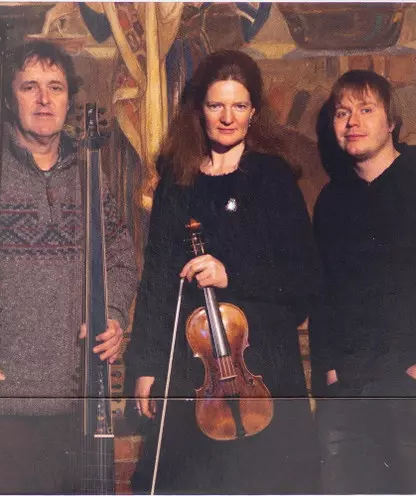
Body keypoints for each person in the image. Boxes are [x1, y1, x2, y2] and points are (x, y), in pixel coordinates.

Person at [0, 41, 138, 494]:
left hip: (78, 408)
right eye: (30, 87)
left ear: (69, 99)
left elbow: (122, 260)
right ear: (10, 100)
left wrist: (114, 314)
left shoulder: (92, 178)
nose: (44, 99)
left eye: (55, 87)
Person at [124, 50, 322, 495]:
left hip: (262, 368)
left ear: (254, 112)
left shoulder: (272, 177)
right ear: (200, 110)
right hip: (193, 371)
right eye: (216, 105)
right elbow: (156, 281)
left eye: (239, 106)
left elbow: (305, 277)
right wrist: (146, 365)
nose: (228, 118)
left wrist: (232, 275)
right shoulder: (177, 181)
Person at [309, 69, 416, 494]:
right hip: (347, 394)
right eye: (342, 112)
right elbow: (322, 294)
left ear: (391, 121)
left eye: (366, 110)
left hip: (415, 390)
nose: (352, 122)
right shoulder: (331, 201)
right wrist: (330, 372)